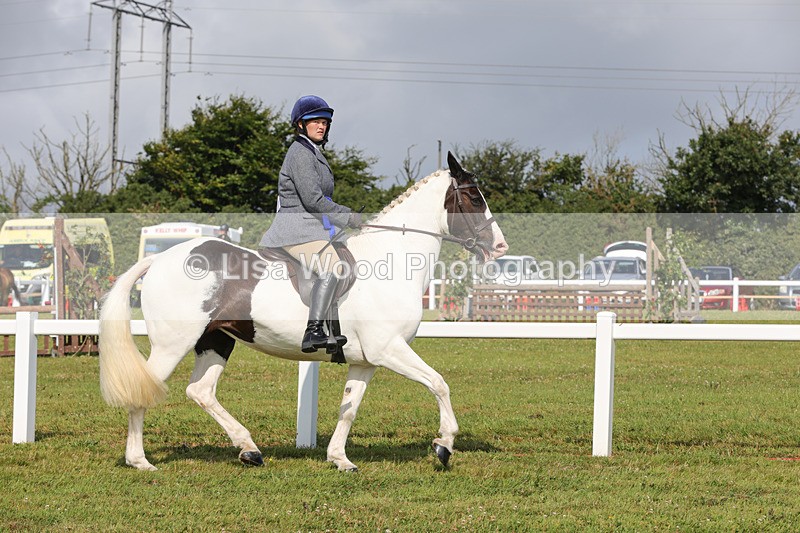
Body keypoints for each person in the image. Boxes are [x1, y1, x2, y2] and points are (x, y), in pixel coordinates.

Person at [259, 95, 361, 353]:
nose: (321, 126)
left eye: (325, 122)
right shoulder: (300, 153)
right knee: (332, 267)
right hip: (296, 230)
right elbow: (313, 200)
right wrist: (347, 216)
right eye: (315, 121)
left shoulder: (313, 152)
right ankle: (313, 331)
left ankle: (332, 328)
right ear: (301, 125)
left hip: (312, 227)